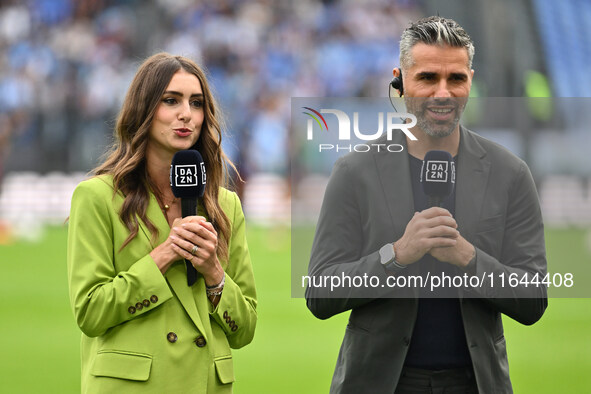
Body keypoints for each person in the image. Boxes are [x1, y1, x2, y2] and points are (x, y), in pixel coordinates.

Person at [306, 16, 547, 394]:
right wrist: (396, 254)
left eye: (456, 79)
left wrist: (469, 258)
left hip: (475, 383)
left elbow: (533, 298)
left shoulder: (510, 173)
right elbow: (320, 292)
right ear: (400, 80)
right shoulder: (355, 170)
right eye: (427, 78)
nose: (442, 93)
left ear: (471, 79)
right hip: (378, 384)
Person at [67, 53, 257, 393]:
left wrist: (214, 273)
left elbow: (245, 329)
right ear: (143, 110)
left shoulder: (226, 206)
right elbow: (91, 312)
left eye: (196, 103)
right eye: (171, 100)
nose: (186, 114)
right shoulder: (95, 197)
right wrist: (166, 253)